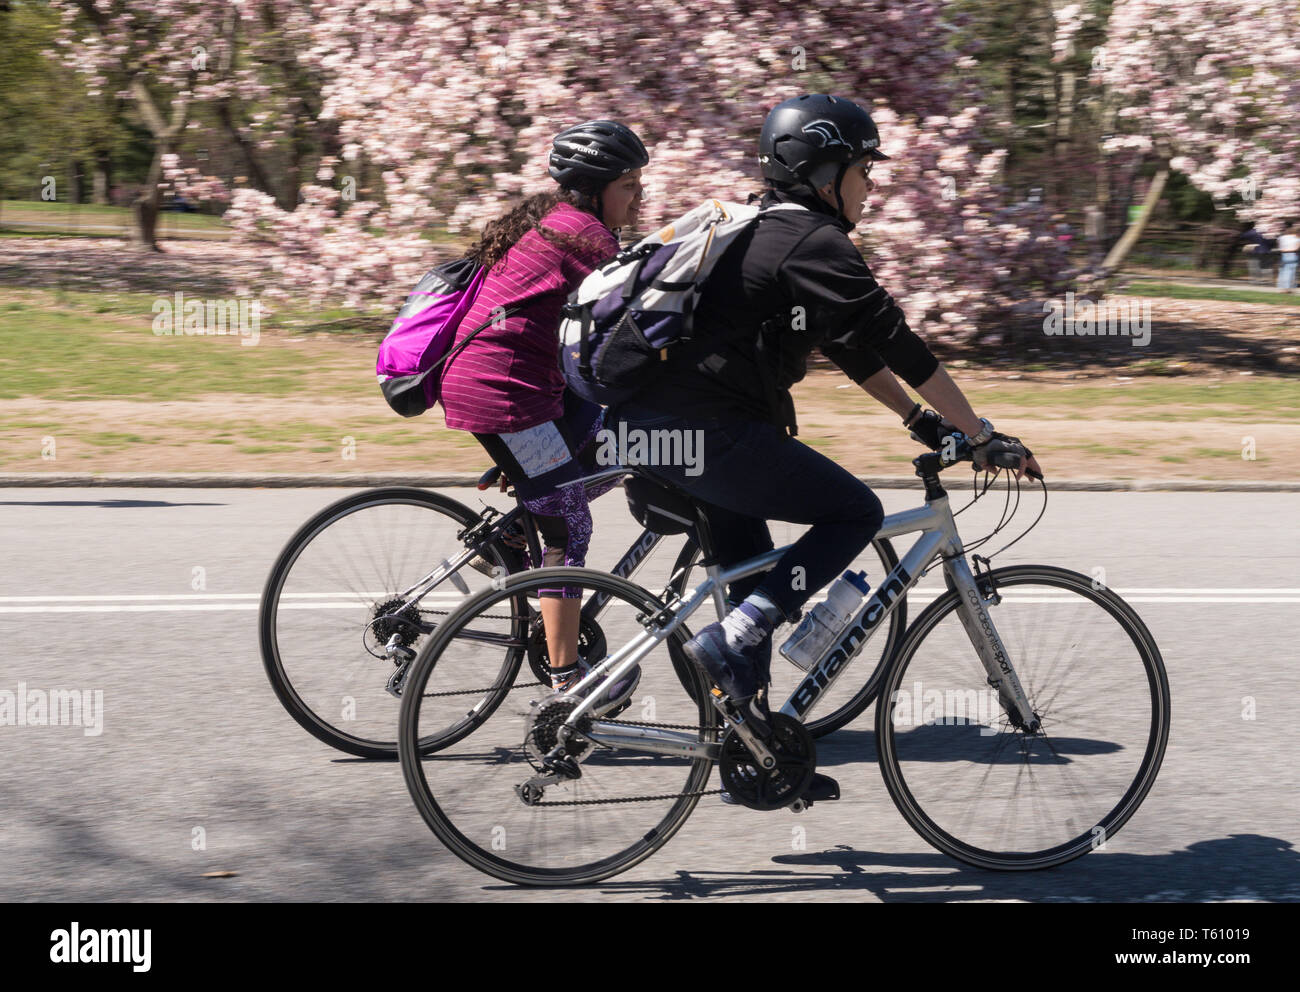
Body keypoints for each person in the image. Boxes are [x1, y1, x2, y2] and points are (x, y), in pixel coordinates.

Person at [613, 94, 1041, 737]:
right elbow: (900, 345)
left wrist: (920, 421)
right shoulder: (813, 243)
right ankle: (736, 641)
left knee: (755, 592)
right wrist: (980, 434)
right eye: (863, 171)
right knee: (854, 512)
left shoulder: (764, 230)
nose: (871, 188)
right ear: (823, 174)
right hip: (707, 435)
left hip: (657, 432)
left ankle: (751, 755)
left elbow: (846, 344)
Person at [439, 120, 648, 697]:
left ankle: (509, 537)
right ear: (597, 186)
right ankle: (567, 679)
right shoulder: (588, 239)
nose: (638, 199)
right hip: (508, 398)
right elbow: (633, 324)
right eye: (629, 186)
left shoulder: (554, 222)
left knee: (611, 438)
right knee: (570, 525)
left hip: (502, 389)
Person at [1276, 221, 1299, 293]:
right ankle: (1288, 288)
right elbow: (1297, 248)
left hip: (1283, 254)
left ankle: (1282, 287)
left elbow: (1280, 247)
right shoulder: (1296, 238)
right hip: (1293, 254)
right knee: (1291, 272)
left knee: (1282, 271)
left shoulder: (1281, 237)